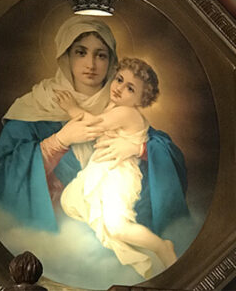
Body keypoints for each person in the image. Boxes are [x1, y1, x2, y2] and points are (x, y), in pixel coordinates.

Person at [0, 16, 189, 237]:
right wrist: (58, 141)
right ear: (66, 55)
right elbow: (3, 172)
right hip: (56, 236)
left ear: (111, 61)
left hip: (115, 229)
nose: (91, 65)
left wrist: (139, 150)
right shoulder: (36, 105)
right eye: (81, 52)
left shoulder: (121, 104)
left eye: (100, 55)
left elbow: (170, 157)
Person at [55, 58, 176, 277]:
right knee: (69, 201)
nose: (120, 88)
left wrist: (72, 108)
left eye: (130, 88)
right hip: (101, 168)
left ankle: (161, 247)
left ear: (142, 99)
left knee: (117, 226)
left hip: (119, 175)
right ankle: (111, 229)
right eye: (119, 80)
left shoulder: (127, 113)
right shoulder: (115, 107)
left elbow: (93, 125)